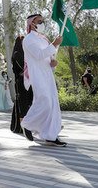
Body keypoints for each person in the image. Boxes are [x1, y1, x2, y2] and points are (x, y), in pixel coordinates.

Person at [21, 14, 66, 146]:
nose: (42, 23)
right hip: (37, 75)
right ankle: (27, 123)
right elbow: (39, 55)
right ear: (31, 23)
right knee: (44, 101)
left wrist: (53, 62)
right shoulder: (28, 40)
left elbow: (48, 56)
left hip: (47, 74)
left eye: (42, 21)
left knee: (53, 103)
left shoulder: (43, 39)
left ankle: (50, 135)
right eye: (39, 21)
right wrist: (54, 44)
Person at [10, 35, 33, 139]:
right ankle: (23, 126)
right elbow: (22, 67)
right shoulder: (17, 53)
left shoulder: (26, 53)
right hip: (21, 82)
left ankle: (23, 126)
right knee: (22, 104)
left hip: (29, 81)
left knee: (28, 102)